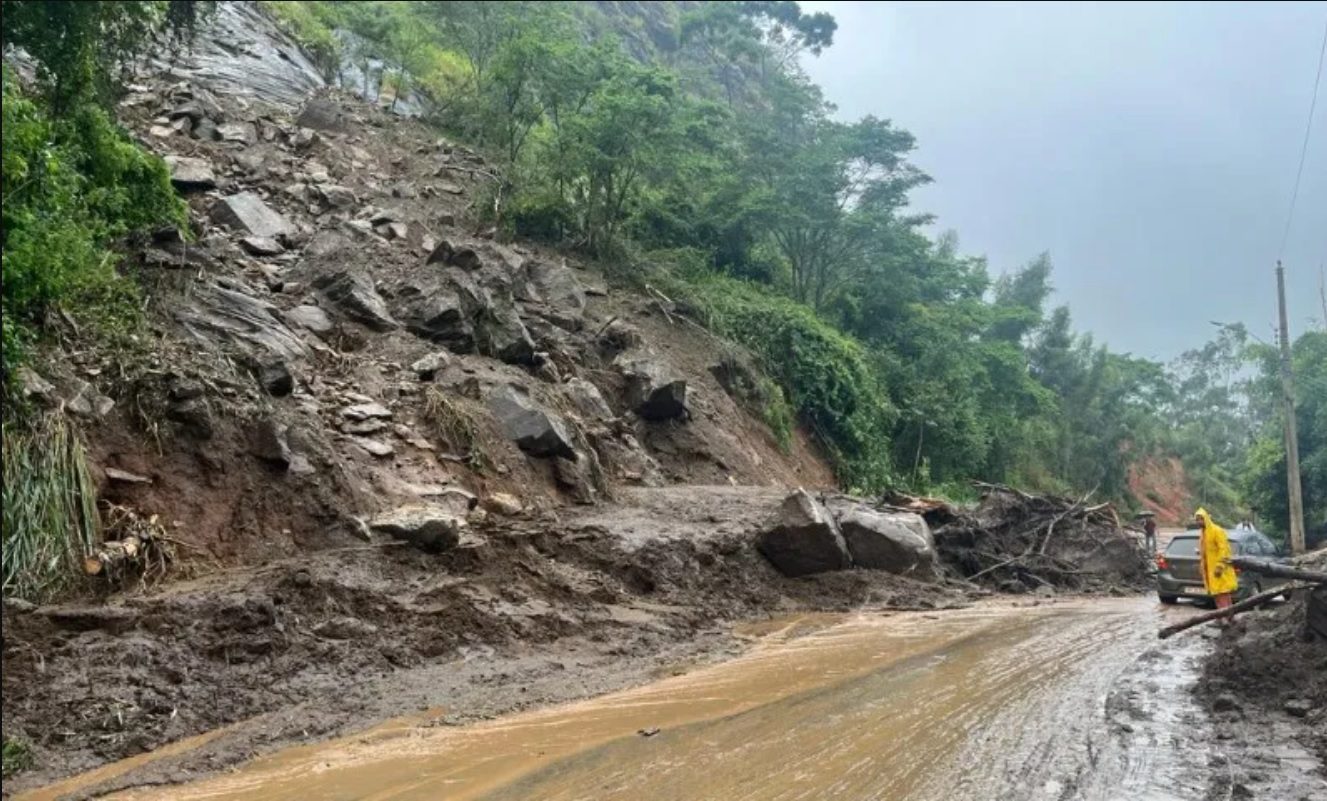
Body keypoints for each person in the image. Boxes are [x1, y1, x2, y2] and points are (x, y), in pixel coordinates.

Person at [1194, 508, 1238, 623]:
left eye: (1200, 519)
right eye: (1197, 520)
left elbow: (1224, 549)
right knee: (1216, 594)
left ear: (1206, 519)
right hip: (1210, 570)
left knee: (1223, 593)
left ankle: (1226, 617)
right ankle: (1224, 616)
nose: (1199, 522)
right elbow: (1207, 552)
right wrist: (1202, 566)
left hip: (1220, 570)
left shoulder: (1216, 531)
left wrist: (1219, 566)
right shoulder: (1203, 534)